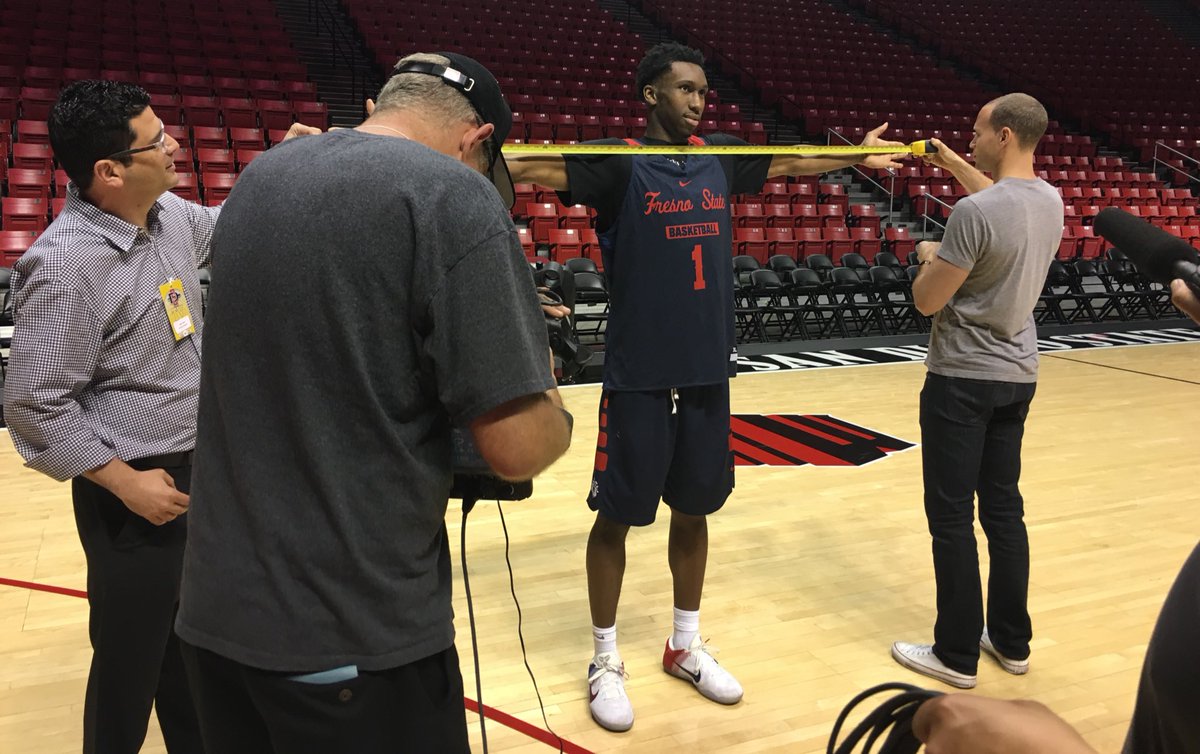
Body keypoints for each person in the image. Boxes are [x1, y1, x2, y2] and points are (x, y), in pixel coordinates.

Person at [173, 52, 573, 753]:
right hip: (352, 633)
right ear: (476, 140)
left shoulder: (263, 175)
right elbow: (516, 449)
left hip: (215, 617)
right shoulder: (452, 193)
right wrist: (547, 394)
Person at [507, 41, 906, 731]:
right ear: (650, 95)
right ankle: (604, 657)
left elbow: (788, 161)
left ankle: (684, 645)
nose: (698, 100)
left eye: (703, 91)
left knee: (696, 511)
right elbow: (522, 164)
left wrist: (850, 155)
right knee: (619, 517)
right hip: (637, 374)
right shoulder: (615, 161)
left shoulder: (718, 154)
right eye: (685, 89)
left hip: (706, 371)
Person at [2, 79, 316, 754]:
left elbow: (233, 223)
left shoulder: (167, 216)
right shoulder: (64, 266)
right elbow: (32, 406)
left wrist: (280, 166)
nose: (174, 145)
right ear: (109, 172)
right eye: (156, 141)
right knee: (128, 671)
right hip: (134, 490)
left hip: (196, 474)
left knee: (189, 654)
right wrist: (123, 482)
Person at [889, 93, 1065, 689]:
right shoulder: (1052, 201)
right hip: (1019, 376)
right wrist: (950, 167)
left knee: (951, 517)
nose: (970, 139)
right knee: (1004, 511)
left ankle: (956, 653)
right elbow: (998, 202)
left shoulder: (971, 217)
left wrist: (927, 255)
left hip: (962, 378)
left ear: (1006, 135)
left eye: (977, 132)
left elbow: (927, 300)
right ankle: (1011, 642)